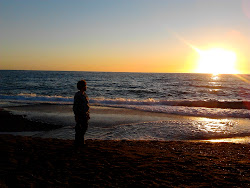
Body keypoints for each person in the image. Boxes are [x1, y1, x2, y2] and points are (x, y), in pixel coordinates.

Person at [73, 80, 90, 146]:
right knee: (79, 128)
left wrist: (88, 113)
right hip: (80, 114)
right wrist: (76, 115)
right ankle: (79, 142)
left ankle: (80, 141)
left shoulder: (84, 94)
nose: (86, 87)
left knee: (84, 127)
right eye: (85, 85)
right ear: (82, 86)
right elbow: (75, 106)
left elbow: (86, 105)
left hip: (85, 114)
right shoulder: (78, 95)